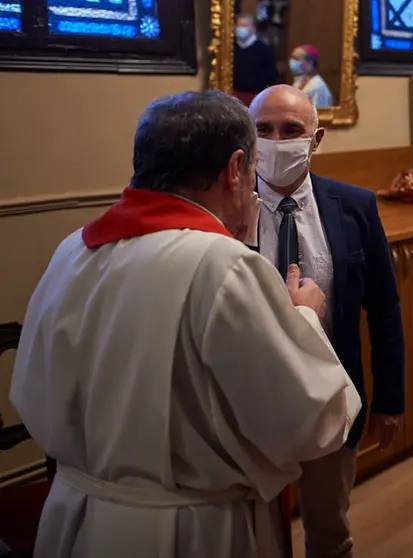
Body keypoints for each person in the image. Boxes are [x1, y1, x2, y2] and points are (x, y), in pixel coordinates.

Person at [8, 91, 362, 557]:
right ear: (236, 169)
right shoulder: (221, 264)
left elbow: (29, 389)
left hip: (76, 513)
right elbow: (308, 421)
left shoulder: (73, 249)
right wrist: (305, 317)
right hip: (188, 529)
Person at [249, 85, 405, 558]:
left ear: (315, 139)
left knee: (329, 531)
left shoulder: (354, 205)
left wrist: (390, 398)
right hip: (250, 404)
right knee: (259, 539)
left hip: (330, 398)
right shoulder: (226, 210)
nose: (277, 141)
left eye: (291, 130)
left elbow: (383, 306)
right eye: (263, 130)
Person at [233, 14, 279, 106]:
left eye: (244, 26)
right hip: (234, 96)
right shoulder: (232, 48)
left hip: (255, 97)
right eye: (238, 25)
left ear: (253, 29)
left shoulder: (264, 49)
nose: (240, 28)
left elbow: (272, 76)